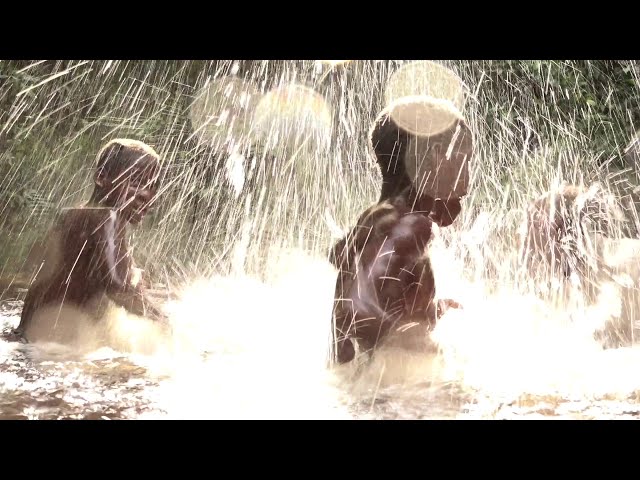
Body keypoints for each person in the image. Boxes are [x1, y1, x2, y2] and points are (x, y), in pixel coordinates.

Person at [329, 99, 473, 364]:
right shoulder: (410, 227)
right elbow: (366, 318)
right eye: (465, 161)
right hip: (391, 399)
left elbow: (367, 313)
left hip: (369, 394)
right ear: (436, 158)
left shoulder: (376, 221)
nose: (468, 184)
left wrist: (429, 311)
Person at [15, 138, 169, 343]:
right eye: (136, 182)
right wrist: (166, 324)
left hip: (32, 340)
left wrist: (134, 276)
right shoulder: (105, 218)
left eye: (152, 187)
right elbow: (119, 288)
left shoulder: (77, 216)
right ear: (101, 177)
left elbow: (107, 280)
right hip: (53, 349)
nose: (146, 195)